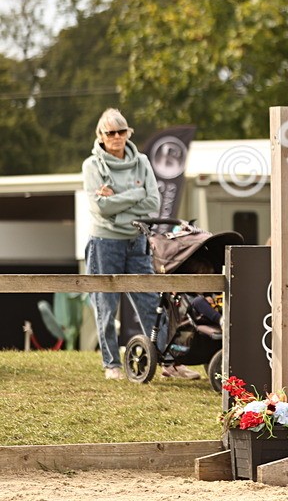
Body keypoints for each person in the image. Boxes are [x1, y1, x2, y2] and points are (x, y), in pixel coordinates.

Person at [82, 109, 201, 380]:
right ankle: (111, 364)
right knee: (106, 305)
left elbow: (152, 203)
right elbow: (99, 208)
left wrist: (119, 200)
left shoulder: (143, 161)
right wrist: (134, 198)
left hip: (138, 241)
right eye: (109, 133)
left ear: (128, 133)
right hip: (105, 242)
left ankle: (169, 362)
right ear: (100, 136)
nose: (116, 137)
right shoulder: (92, 166)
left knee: (151, 302)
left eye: (121, 131)